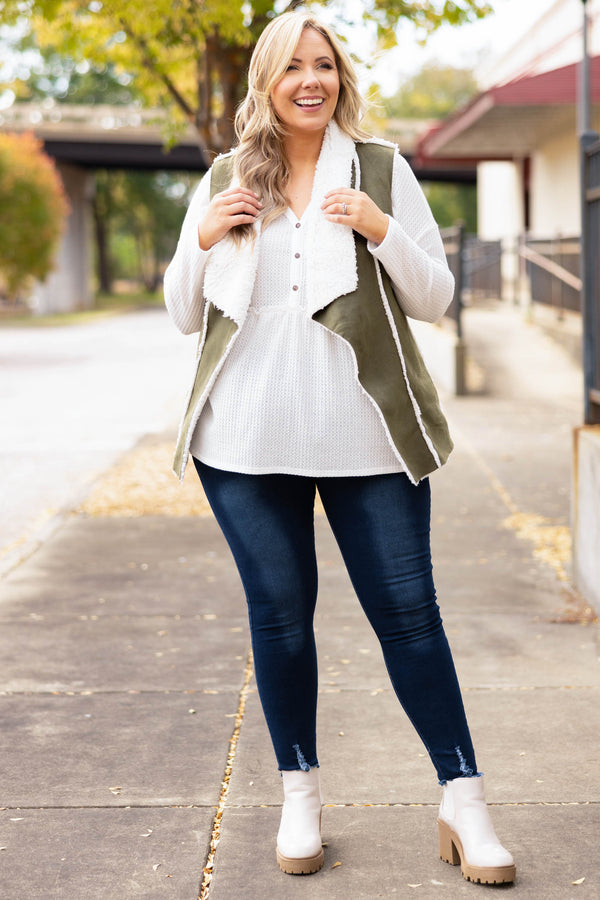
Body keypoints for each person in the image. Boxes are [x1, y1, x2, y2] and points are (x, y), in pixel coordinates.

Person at [164, 11, 515, 886]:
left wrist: (379, 228)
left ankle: (464, 802)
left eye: (323, 65)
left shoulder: (384, 170)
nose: (310, 81)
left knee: (410, 617)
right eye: (292, 67)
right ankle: (300, 797)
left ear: (340, 79)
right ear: (267, 82)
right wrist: (202, 239)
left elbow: (435, 299)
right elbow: (181, 312)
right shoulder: (225, 178)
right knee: (280, 620)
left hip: (366, 436)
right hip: (244, 441)